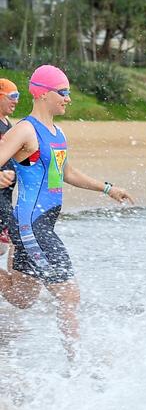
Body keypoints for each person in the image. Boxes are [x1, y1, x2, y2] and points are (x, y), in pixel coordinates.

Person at [0, 65, 134, 360]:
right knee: (69, 294)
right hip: (32, 226)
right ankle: (78, 365)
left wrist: (107, 188)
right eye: (64, 92)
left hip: (41, 224)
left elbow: (67, 172)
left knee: (23, 298)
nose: (68, 98)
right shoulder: (24, 129)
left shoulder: (57, 133)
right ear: (44, 93)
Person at [0, 79, 18, 258]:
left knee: (12, 244)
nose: (17, 100)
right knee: (19, 238)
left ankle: (16, 285)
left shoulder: (8, 124)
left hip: (6, 198)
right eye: (12, 96)